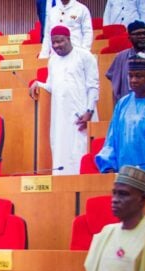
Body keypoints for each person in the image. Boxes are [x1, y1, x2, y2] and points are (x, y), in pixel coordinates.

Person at [30, 26, 99, 175]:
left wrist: (89, 112)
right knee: (62, 150)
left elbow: (93, 87)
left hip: (82, 114)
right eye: (53, 43)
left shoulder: (85, 56)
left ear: (68, 39)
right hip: (61, 117)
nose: (56, 46)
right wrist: (38, 84)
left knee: (80, 151)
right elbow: (52, 85)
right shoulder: (53, 61)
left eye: (60, 41)